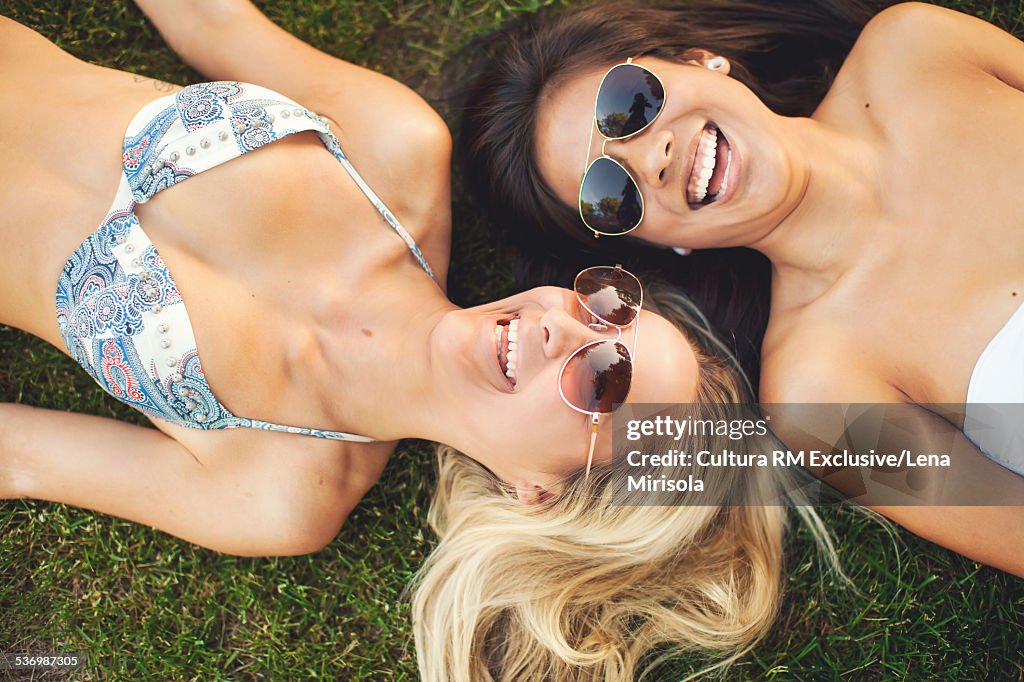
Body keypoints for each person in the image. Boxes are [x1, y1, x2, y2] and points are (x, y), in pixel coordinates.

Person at [0, 2, 821, 679]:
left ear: (539, 490)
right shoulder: (394, 148)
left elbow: (17, 457)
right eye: (609, 307)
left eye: (604, 377)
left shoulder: (283, 492)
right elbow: (214, 22)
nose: (561, 325)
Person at [459, 0, 1024, 577]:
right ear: (653, 245)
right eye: (610, 192)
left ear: (701, 61)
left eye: (630, 106)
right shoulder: (817, 401)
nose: (650, 158)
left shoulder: (917, 46)